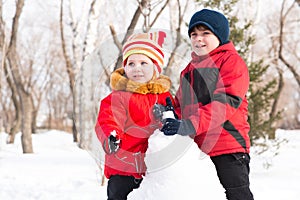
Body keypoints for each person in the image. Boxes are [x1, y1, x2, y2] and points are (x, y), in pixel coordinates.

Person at [159, 9, 254, 200]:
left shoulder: (230, 62)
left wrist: (190, 124)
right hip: (197, 149)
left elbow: (225, 102)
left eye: (205, 33)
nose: (198, 39)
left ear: (219, 35)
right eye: (194, 34)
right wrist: (169, 114)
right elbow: (181, 105)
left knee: (236, 196)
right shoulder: (189, 70)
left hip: (228, 148)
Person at [95, 31, 174, 200]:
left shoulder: (165, 97)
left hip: (153, 171)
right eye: (131, 63)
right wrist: (110, 136)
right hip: (123, 170)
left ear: (155, 68)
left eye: (143, 62)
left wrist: (169, 118)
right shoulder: (118, 97)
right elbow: (108, 119)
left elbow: (175, 122)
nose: (136, 68)